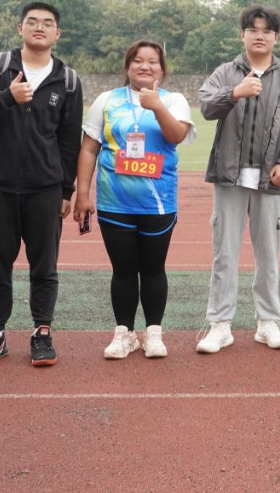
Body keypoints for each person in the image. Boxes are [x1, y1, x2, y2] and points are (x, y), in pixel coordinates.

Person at [0, 2, 82, 367]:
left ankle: (42, 332)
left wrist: (66, 190)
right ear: (20, 28)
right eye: (32, 22)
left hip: (45, 188)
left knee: (45, 266)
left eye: (48, 23)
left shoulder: (68, 80)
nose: (40, 27)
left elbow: (69, 140)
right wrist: (6, 98)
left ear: (57, 33)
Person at [74, 41, 196, 360]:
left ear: (162, 69)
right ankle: (124, 334)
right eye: (138, 60)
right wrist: (82, 194)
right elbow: (89, 148)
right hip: (114, 202)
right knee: (123, 270)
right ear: (127, 66)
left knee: (154, 269)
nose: (145, 66)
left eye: (152, 61)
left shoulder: (174, 100)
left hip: (158, 203)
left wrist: (156, 106)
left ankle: (154, 333)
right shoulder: (107, 100)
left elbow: (176, 136)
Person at [195, 5, 280, 353]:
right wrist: (235, 93)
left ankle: (268, 321)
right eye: (253, 29)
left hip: (270, 179)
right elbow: (206, 107)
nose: (259, 35)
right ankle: (220, 324)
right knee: (224, 252)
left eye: (266, 30)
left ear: (276, 37)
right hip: (229, 175)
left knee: (268, 253)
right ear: (242, 34)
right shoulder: (226, 72)